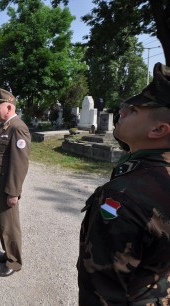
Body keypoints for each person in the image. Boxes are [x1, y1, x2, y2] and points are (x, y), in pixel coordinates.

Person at [77, 62, 170, 305]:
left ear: (159, 129)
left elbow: (102, 292)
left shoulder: (123, 197)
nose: (123, 110)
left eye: (135, 110)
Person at [0, 88, 31, 277]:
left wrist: (14, 192)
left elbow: (19, 164)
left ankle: (15, 261)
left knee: (10, 225)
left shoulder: (18, 128)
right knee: (3, 223)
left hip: (7, 187)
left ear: (9, 107)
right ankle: (7, 253)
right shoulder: (4, 126)